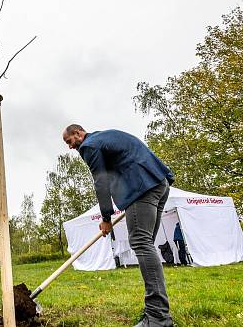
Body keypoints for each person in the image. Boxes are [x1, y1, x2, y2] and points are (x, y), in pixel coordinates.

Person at [62, 124, 174, 327]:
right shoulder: (105, 137)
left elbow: (101, 181)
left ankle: (158, 318)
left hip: (141, 188)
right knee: (145, 245)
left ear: (78, 133)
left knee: (141, 243)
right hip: (159, 182)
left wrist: (106, 217)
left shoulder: (89, 146)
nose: (70, 147)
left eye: (69, 141)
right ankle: (156, 311)